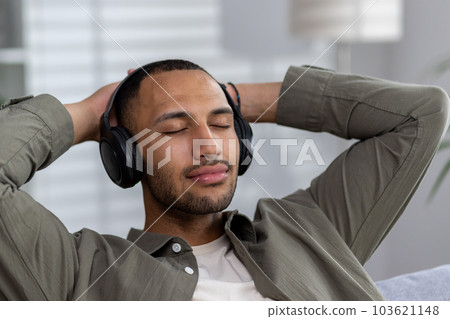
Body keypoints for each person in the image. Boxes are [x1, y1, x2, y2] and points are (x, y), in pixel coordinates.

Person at [0, 59, 448, 301]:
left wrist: (231, 97)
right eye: (174, 129)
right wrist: (85, 115)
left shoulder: (311, 231)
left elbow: (419, 114)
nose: (207, 146)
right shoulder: (76, 272)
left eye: (221, 125)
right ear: (126, 154)